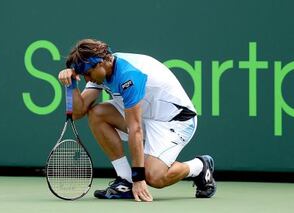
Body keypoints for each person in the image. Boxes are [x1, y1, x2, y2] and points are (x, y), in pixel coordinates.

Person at [57, 39, 216, 202]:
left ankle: (200, 166)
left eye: (88, 74)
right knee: (97, 113)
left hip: (175, 121)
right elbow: (78, 112)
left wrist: (139, 178)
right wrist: (71, 86)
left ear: (101, 63)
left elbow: (136, 129)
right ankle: (125, 181)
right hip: (145, 116)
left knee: (153, 177)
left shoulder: (128, 75)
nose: (87, 79)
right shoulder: (103, 71)